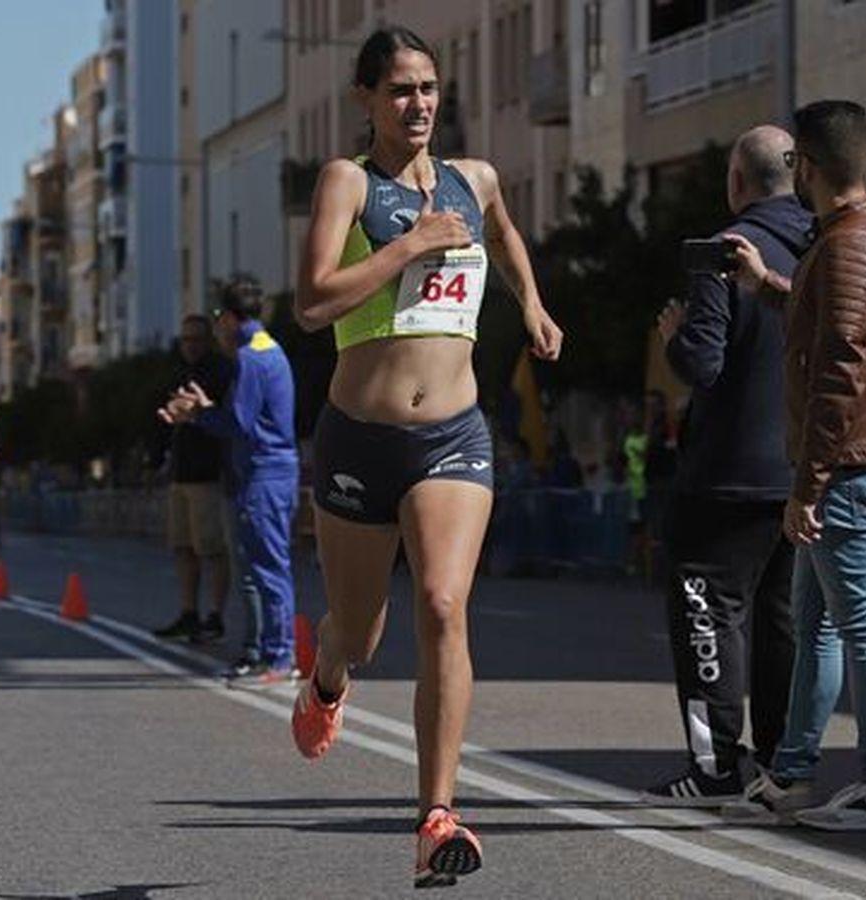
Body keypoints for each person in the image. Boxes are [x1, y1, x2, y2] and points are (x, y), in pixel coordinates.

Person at [288, 26, 562, 886]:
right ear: (365, 99)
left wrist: (535, 305)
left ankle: (436, 811)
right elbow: (310, 303)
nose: (420, 104)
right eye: (401, 90)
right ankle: (326, 674)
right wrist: (409, 246)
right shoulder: (347, 182)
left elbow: (507, 232)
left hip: (453, 433)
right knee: (362, 632)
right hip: (359, 438)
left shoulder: (471, 181)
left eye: (430, 88)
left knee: (444, 604)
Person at [721, 100, 866, 831]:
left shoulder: (847, 245)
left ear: (806, 166)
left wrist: (806, 486)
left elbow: (840, 370)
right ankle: (793, 773)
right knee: (817, 624)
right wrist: (770, 286)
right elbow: (841, 328)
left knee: (861, 622)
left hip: (847, 467)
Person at [642, 125, 812, 806]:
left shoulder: (724, 253)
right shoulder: (822, 244)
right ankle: (777, 759)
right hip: (801, 472)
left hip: (726, 475)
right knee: (780, 621)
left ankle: (714, 769)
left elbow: (703, 367)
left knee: (707, 613)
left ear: (737, 181)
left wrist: (676, 337)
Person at [159, 276, 299, 682]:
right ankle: (265, 651)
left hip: (264, 473)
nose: (216, 326)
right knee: (259, 569)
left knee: (269, 569)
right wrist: (205, 406)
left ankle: (279, 656)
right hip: (266, 471)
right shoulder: (264, 349)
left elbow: (238, 422)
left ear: (229, 318)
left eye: (218, 317)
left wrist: (196, 414)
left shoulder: (252, 358)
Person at [152, 314, 235, 644]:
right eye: (185, 339)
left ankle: (215, 615)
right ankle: (189, 613)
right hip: (180, 473)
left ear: (208, 340)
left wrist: (197, 410)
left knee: (212, 548)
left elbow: (222, 417)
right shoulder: (178, 372)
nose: (190, 345)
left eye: (196, 339)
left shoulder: (220, 372)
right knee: (183, 547)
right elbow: (167, 415)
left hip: (208, 473)